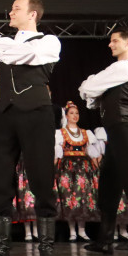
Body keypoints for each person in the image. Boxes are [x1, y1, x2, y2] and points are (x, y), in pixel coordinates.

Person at [0, 0, 61, 256]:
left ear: (32, 14)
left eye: (16, 8)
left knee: (41, 177)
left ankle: (47, 246)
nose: (10, 13)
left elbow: (33, 53)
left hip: (36, 113)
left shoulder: (49, 41)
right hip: (4, 115)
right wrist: (8, 48)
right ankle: (1, 245)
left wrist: (4, 50)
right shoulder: (4, 41)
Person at [80, 30, 128, 256]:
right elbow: (90, 99)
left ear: (127, 42)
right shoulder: (119, 69)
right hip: (116, 131)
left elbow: (88, 88)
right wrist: (91, 87)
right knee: (109, 185)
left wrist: (91, 85)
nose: (110, 45)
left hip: (125, 128)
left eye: (114, 41)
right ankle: (105, 240)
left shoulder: (123, 67)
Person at [54, 102, 101, 242]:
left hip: (83, 168)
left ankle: (82, 230)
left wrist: (97, 166)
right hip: (67, 168)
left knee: (84, 198)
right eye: (72, 113)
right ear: (66, 116)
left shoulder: (86, 133)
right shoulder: (60, 133)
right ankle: (72, 231)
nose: (75, 116)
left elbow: (93, 153)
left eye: (77, 113)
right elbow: (57, 153)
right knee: (69, 198)